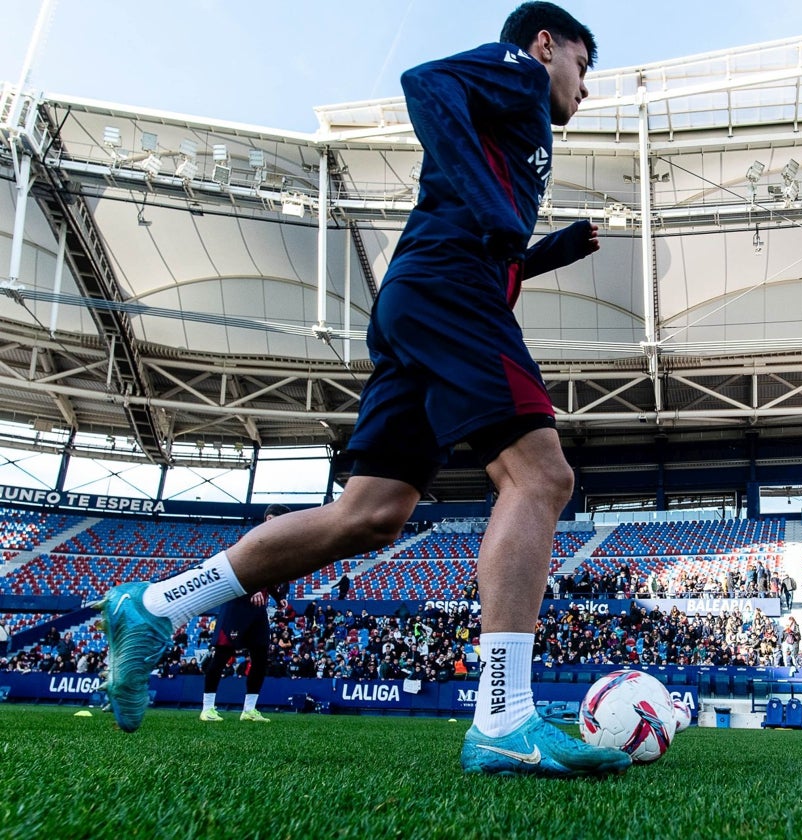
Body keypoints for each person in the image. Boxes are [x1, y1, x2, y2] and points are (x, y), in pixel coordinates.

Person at [94, 2, 630, 778]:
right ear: (547, 45)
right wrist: (495, 212)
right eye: (584, 65)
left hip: (424, 292)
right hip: (448, 291)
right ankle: (505, 718)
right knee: (541, 475)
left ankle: (154, 607)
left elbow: (485, 238)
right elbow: (423, 84)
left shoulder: (511, 124)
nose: (586, 87)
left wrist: (545, 252)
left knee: (371, 513)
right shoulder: (515, 70)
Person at [199, 504, 292, 723]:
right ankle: (207, 708)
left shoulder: (274, 544)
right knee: (222, 656)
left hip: (258, 610)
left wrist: (279, 598)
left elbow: (266, 576)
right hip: (237, 606)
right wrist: (253, 590)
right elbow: (238, 569)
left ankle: (249, 710)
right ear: (270, 519)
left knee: (260, 658)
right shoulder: (253, 539)